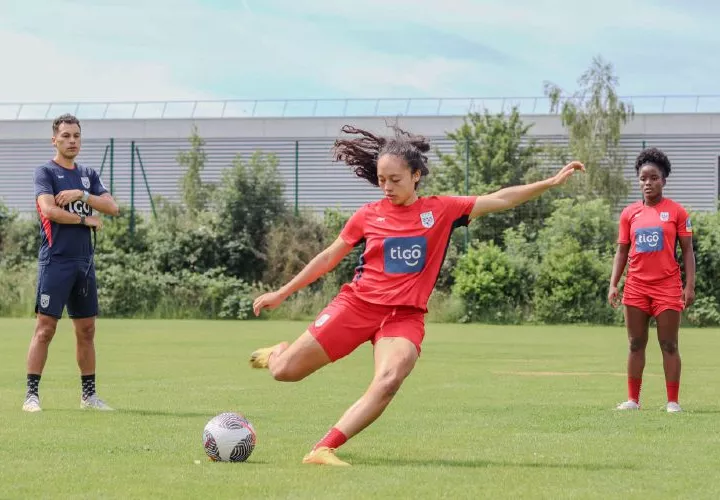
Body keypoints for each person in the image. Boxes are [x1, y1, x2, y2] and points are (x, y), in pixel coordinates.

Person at [249, 124, 584, 466]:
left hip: (404, 318)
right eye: (381, 179)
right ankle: (279, 352)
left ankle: (323, 448)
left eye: (395, 179)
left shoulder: (442, 210)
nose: (387, 187)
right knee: (284, 372)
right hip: (357, 306)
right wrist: (282, 292)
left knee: (390, 379)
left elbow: (500, 198)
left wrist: (550, 183)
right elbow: (327, 258)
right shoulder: (367, 214)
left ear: (416, 175)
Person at [23, 114, 120, 413]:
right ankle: (31, 395)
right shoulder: (46, 172)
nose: (72, 140)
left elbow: (112, 207)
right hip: (56, 260)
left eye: (76, 135)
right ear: (54, 139)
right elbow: (49, 211)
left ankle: (89, 397)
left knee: (87, 330)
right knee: (45, 328)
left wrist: (83, 195)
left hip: (84, 263)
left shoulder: (88, 174)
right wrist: (83, 218)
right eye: (65, 136)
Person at [608, 147, 695, 413]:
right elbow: (622, 251)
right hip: (635, 287)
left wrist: (689, 285)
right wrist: (613, 284)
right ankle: (633, 400)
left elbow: (688, 251)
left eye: (654, 177)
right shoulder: (629, 214)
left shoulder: (678, 212)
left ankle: (672, 402)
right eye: (643, 178)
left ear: (664, 180)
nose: (648, 183)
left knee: (669, 344)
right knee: (635, 343)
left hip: (667, 287)